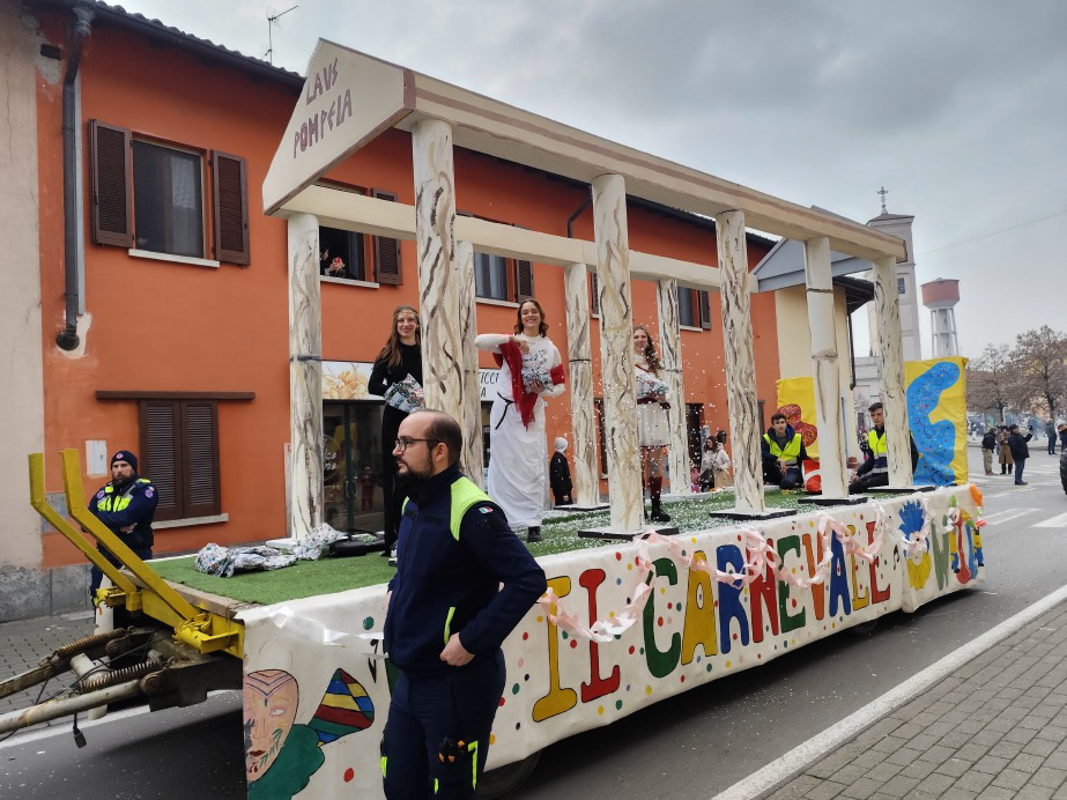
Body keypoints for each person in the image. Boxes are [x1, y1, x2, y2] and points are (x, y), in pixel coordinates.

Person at [381, 409, 546, 799]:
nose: (395, 450)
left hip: (455, 685)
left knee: (450, 792)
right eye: (398, 441)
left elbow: (529, 579)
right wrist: (394, 588)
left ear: (440, 451)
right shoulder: (414, 504)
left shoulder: (474, 511)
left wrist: (472, 641)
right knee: (400, 786)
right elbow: (415, 567)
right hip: (410, 678)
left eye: (406, 443)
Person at [475, 299, 565, 543]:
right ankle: (500, 519)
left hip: (533, 411)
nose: (529, 315)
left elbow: (560, 386)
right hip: (506, 409)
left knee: (531, 465)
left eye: (534, 311)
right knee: (503, 464)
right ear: (520, 317)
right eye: (525, 312)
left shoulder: (550, 348)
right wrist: (513, 339)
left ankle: (533, 523)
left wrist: (542, 389)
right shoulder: (507, 344)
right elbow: (478, 341)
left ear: (540, 315)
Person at [369, 305, 423, 561]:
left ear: (417, 324)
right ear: (395, 325)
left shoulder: (428, 350)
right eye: (401, 320)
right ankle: (396, 538)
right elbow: (372, 386)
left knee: (424, 476)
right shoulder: (388, 353)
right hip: (397, 422)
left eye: (410, 319)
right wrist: (397, 396)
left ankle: (423, 533)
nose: (405, 323)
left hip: (424, 420)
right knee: (399, 479)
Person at [87, 450, 158, 597]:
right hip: (105, 555)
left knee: (137, 602)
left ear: (133, 467)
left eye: (124, 465)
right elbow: (85, 521)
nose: (119, 470)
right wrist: (118, 528)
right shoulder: (104, 492)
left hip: (135, 555)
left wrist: (101, 520)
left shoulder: (145, 490)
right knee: (100, 598)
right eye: (115, 466)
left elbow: (127, 517)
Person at [633, 325, 672, 522]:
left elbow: (669, 391)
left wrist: (659, 394)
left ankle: (656, 506)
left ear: (648, 341)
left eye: (643, 337)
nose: (640, 340)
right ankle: (640, 507)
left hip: (656, 412)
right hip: (638, 413)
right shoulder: (626, 363)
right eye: (636, 337)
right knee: (639, 462)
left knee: (655, 462)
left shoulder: (657, 365)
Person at [849, 402, 918, 493]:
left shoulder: (899, 431)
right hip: (877, 475)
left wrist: (908, 474)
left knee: (864, 486)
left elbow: (914, 454)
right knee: (852, 488)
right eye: (872, 415)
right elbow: (870, 461)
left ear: (886, 413)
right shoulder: (871, 435)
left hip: (894, 475)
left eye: (879, 414)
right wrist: (858, 473)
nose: (875, 418)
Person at [762, 412, 808, 490]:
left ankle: (792, 480)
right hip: (775, 469)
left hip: (792, 469)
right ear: (773, 426)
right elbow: (763, 453)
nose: (780, 425)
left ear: (786, 424)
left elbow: (804, 457)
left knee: (787, 484)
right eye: (777, 423)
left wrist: (805, 479)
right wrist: (778, 460)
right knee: (760, 459)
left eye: (782, 422)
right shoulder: (766, 438)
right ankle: (767, 480)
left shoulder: (797, 438)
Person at [549, 437, 573, 507]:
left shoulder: (559, 457)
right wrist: (564, 493)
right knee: (565, 509)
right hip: (562, 492)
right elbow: (559, 477)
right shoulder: (558, 459)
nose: (566, 449)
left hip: (564, 490)